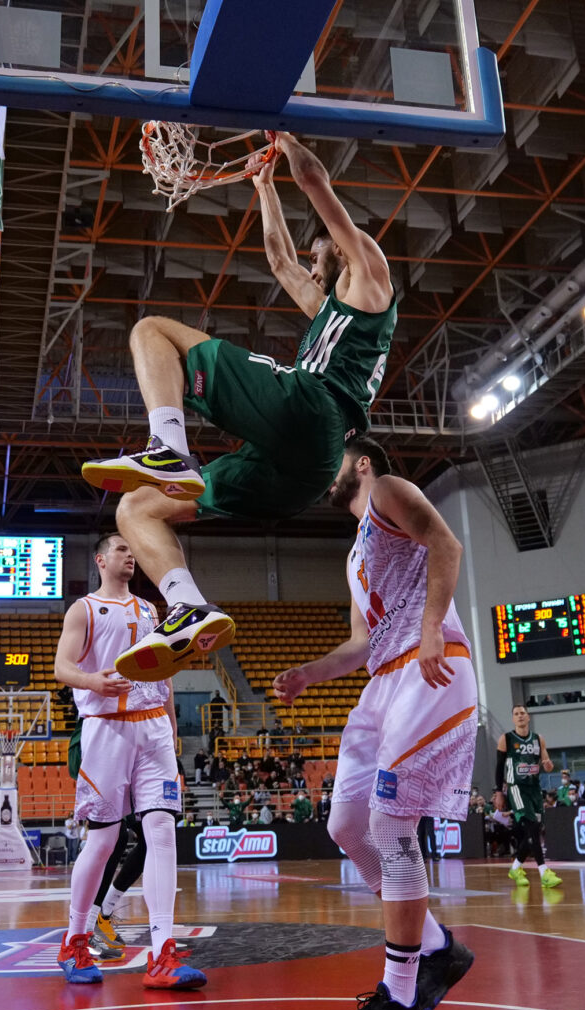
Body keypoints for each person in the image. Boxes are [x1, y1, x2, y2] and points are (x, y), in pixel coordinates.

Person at [84, 133, 398, 680]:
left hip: (312, 409)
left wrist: (288, 141)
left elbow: (316, 180)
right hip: (304, 470)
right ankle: (186, 607)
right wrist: (263, 186)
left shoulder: (370, 274)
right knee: (136, 509)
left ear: (340, 248)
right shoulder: (333, 310)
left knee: (152, 330)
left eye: (319, 258)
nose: (312, 265)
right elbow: (279, 261)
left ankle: (167, 447)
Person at [271, 437, 477, 1010]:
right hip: (383, 677)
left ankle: (400, 999)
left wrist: (435, 626)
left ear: (361, 462)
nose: (323, 471)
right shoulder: (355, 553)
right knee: (346, 826)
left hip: (428, 665)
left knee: (390, 828)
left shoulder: (387, 490)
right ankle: (437, 947)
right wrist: (310, 672)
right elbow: (363, 644)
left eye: (333, 458)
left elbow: (448, 543)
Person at [51, 533, 204, 991]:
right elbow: (62, 667)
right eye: (120, 548)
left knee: (161, 830)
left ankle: (162, 954)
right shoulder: (84, 609)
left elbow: (164, 672)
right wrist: (92, 681)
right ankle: (75, 940)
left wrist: (174, 731)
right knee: (103, 841)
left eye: (132, 550)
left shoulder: (150, 610)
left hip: (154, 726)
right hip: (107, 729)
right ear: (100, 558)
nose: (130, 554)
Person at [497, 705, 559, 888]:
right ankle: (543, 872)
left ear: (528, 716)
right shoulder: (506, 739)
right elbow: (499, 767)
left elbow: (547, 764)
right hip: (516, 787)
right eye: (516, 714)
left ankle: (515, 868)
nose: (520, 716)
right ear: (513, 719)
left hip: (534, 788)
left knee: (534, 831)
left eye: (522, 713)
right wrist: (498, 792)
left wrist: (548, 765)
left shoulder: (538, 739)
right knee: (532, 827)